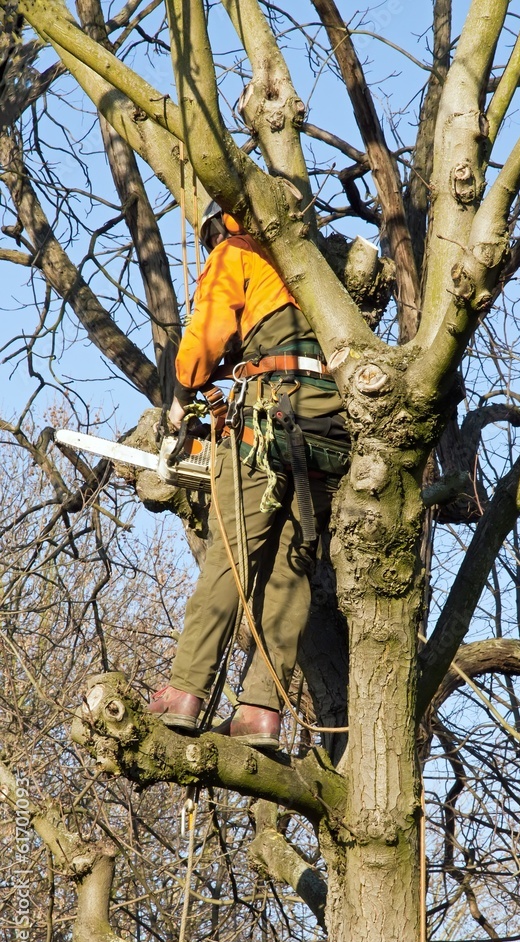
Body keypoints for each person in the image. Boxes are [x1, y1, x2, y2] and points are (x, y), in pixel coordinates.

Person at [148, 203, 349, 747]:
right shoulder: (314, 267)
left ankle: (187, 691)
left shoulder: (237, 252)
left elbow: (205, 339)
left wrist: (180, 399)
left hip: (271, 417)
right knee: (291, 565)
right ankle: (261, 710)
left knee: (229, 555)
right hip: (329, 426)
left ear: (219, 225)